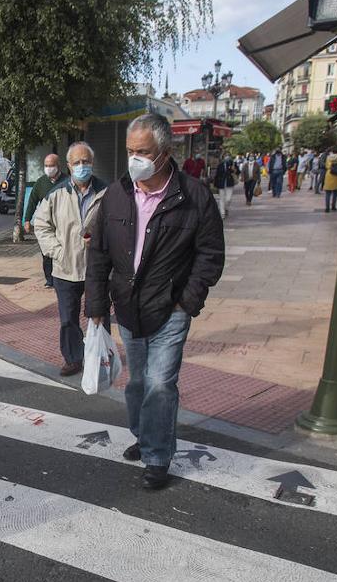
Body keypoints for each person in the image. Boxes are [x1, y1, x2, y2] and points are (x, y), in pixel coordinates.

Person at [85, 114, 225, 490]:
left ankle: (158, 456)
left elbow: (210, 255)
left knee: (161, 384)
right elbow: (97, 255)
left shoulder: (194, 197)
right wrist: (97, 309)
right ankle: (143, 436)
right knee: (136, 383)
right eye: (130, 151)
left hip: (171, 309)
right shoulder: (117, 194)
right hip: (128, 307)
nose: (134, 160)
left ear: (164, 153)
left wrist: (187, 302)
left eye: (142, 152)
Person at [32, 142, 108, 377]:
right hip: (66, 268)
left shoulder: (107, 192)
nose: (82, 166)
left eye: (86, 161)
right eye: (76, 162)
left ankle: (100, 355)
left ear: (92, 163)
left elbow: (119, 226)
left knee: (100, 317)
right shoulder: (56, 194)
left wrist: (103, 245)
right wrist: (57, 251)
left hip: (97, 268)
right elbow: (41, 225)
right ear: (69, 166)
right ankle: (73, 358)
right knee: (68, 320)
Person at [24, 154, 64, 288]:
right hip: (46, 224)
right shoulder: (41, 182)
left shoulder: (68, 181)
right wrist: (27, 220)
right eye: (46, 166)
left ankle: (62, 277)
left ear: (58, 166)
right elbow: (32, 201)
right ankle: (50, 279)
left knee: (61, 251)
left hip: (62, 224)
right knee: (47, 253)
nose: (49, 168)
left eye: (51, 165)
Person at [211, 154, 237, 219]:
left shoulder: (232, 164)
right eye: (225, 157)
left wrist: (233, 169)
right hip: (221, 184)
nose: (226, 158)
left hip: (229, 184)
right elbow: (217, 175)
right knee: (221, 199)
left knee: (228, 199)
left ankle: (226, 208)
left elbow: (237, 171)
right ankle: (222, 213)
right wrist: (215, 184)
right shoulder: (220, 166)